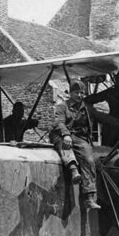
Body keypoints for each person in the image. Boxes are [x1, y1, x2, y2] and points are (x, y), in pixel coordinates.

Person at [49, 80, 100, 210]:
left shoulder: (86, 108)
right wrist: (66, 134)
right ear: (70, 93)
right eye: (77, 92)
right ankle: (73, 170)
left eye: (82, 93)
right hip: (62, 134)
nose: (80, 95)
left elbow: (103, 117)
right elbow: (58, 123)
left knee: (89, 159)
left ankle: (89, 197)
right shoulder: (62, 106)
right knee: (64, 144)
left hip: (79, 138)